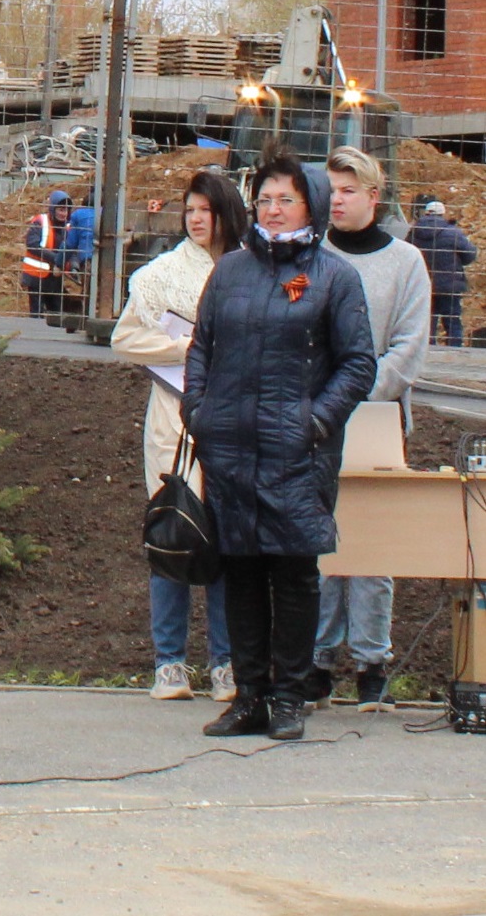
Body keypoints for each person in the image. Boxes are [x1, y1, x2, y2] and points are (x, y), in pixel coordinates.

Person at [185, 153, 375, 742]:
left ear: (310, 206)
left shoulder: (334, 277)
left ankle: (290, 696)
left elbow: (358, 363)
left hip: (298, 455)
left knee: (293, 575)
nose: (271, 208)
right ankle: (250, 697)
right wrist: (199, 412)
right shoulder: (233, 271)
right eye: (264, 198)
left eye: (284, 199)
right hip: (232, 450)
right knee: (240, 573)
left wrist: (315, 422)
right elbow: (201, 348)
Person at [110, 171, 249, 704]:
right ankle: (169, 663)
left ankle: (226, 661)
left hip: (235, 418)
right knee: (173, 529)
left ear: (225, 213)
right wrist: (186, 345)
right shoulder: (160, 277)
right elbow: (126, 338)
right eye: (189, 209)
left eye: (205, 209)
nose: (195, 218)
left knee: (227, 538)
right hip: (175, 419)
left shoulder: (248, 269)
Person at [310, 146, 430, 712]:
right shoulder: (311, 256)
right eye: (331, 189)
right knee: (321, 535)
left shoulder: (405, 262)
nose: (337, 199)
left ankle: (371, 659)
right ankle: (318, 657)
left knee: (371, 541)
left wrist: (355, 387)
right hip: (318, 420)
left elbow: (408, 348)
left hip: (378, 417)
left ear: (373, 196)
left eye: (349, 190)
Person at [406, 199, 475, 348]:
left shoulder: (413, 232)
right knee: (452, 321)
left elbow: (406, 256)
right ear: (442, 213)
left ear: (426, 213)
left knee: (427, 322)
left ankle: (427, 353)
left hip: (423, 284)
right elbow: (470, 254)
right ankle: (454, 353)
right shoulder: (452, 232)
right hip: (449, 286)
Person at [21, 188, 75, 318]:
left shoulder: (68, 228)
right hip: (36, 278)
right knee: (37, 314)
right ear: (53, 209)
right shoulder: (41, 222)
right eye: (61, 209)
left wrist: (73, 266)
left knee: (56, 314)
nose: (64, 213)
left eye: (66, 210)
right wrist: (56, 258)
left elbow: (72, 250)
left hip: (55, 279)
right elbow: (32, 245)